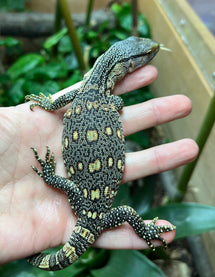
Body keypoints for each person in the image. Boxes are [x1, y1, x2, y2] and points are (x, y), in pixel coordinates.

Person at [0, 64, 198, 264]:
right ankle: (145, 231)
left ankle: (144, 230)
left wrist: (50, 177)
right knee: (120, 209)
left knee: (120, 210)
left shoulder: (91, 94)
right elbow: (117, 102)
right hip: (91, 209)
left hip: (90, 207)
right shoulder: (104, 98)